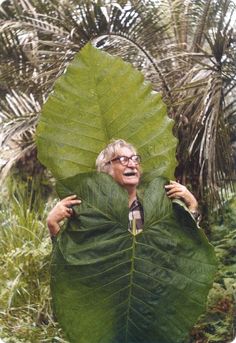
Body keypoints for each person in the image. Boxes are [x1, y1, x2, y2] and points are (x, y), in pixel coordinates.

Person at [47, 139, 199, 237]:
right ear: (106, 168)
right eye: (123, 160)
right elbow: (74, 256)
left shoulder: (154, 208)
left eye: (135, 159)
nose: (132, 164)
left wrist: (192, 206)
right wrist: (53, 225)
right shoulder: (91, 211)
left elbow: (182, 246)